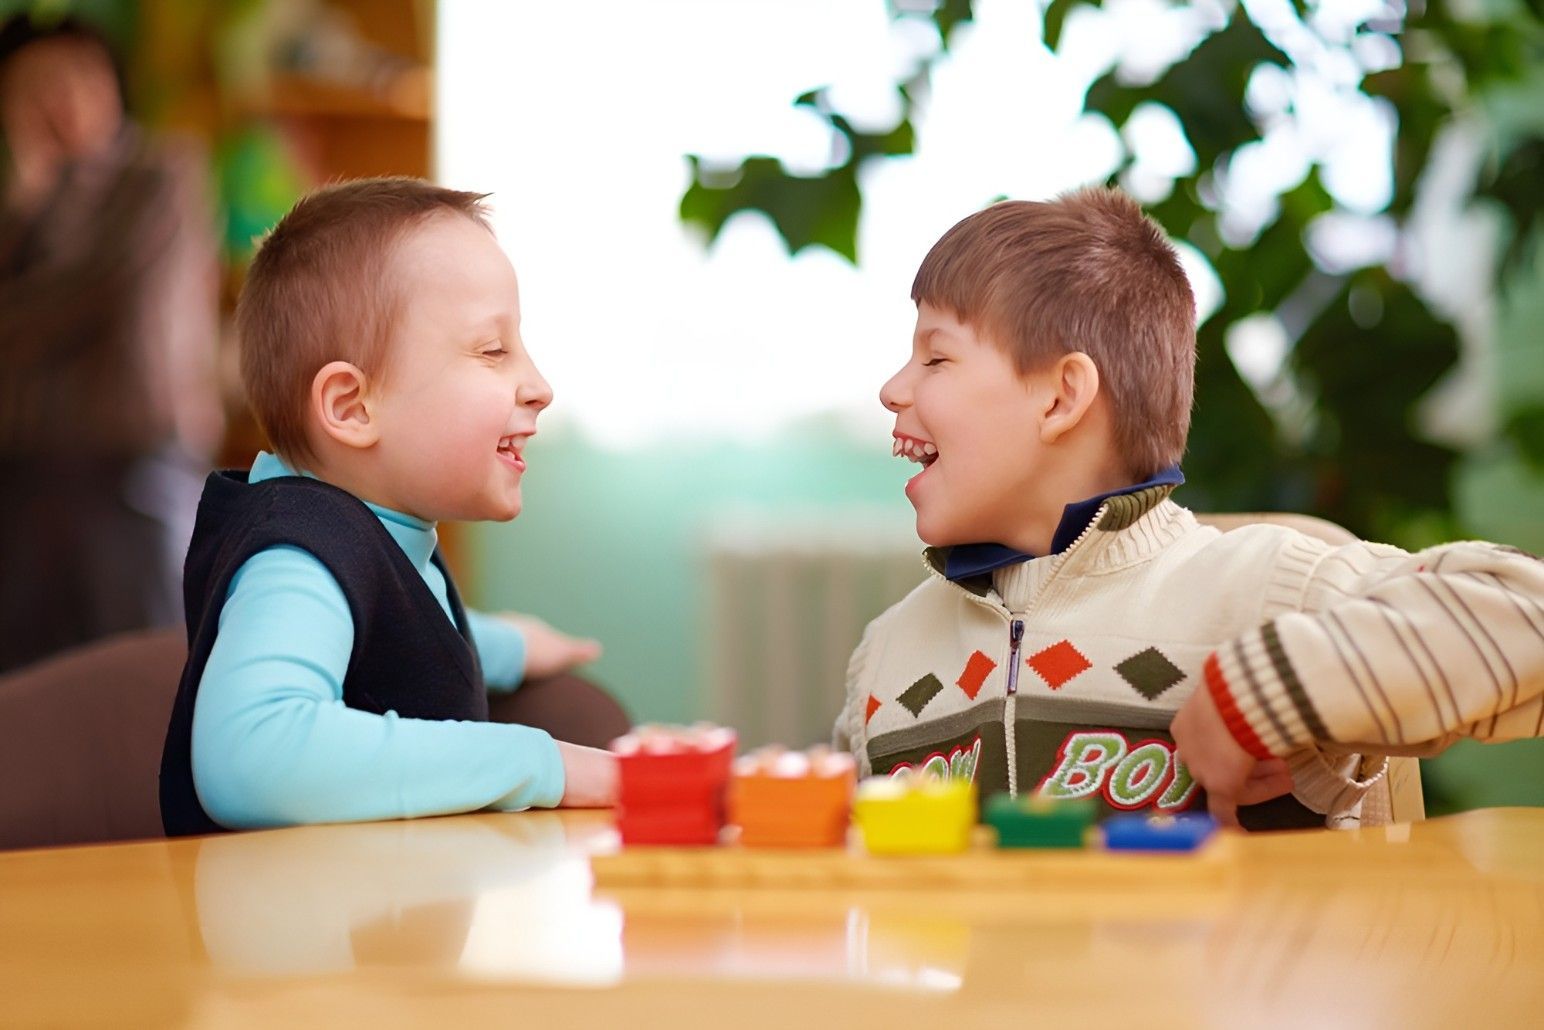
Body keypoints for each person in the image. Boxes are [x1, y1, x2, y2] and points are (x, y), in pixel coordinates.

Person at [835, 187, 1544, 830]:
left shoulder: (1269, 593)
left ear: (1060, 398)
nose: (893, 390)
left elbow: (1526, 621)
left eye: (935, 359)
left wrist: (1266, 690)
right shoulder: (887, 661)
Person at [159, 177, 617, 836]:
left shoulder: (369, 538)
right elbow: (251, 754)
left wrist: (507, 644)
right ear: (352, 407)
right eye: (493, 351)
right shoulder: (298, 558)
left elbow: (394, 642)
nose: (539, 387)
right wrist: (543, 766)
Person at [0, 14, 221, 672]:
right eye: (34, 85)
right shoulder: (23, 203)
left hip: (133, 472)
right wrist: (31, 197)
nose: (59, 99)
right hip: (21, 475)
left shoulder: (162, 174)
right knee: (27, 690)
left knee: (143, 675)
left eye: (76, 77)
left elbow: (101, 294)